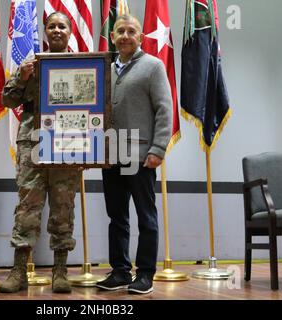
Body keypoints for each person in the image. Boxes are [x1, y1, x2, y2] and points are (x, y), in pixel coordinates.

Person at [0, 12, 80, 294]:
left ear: (70, 32)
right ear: (45, 31)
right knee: (27, 207)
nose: (57, 30)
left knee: (63, 207)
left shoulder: (82, 67)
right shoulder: (31, 64)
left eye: (62, 26)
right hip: (33, 142)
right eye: (52, 26)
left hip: (68, 142)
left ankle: (60, 271)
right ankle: (19, 271)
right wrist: (22, 78)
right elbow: (7, 99)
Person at [96, 14, 172, 294]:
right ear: (112, 36)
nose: (126, 36)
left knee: (146, 217)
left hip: (141, 156)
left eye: (131, 32)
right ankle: (119, 271)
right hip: (110, 155)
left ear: (140, 37)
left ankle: (146, 274)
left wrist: (158, 149)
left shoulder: (153, 66)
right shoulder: (104, 68)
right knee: (116, 217)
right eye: (120, 31)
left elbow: (165, 110)